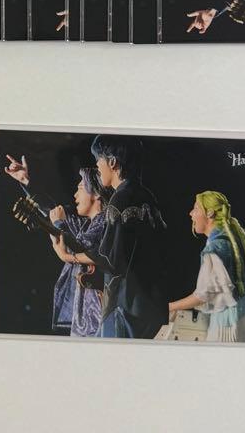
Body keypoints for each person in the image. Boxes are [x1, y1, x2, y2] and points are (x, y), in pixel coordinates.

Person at [3, 155, 108, 337]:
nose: (75, 195)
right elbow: (52, 211)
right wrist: (26, 181)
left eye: (80, 188)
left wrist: (59, 226)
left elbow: (85, 248)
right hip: (85, 316)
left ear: (97, 193)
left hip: (99, 314)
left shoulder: (105, 222)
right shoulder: (85, 224)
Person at [88, 135, 168, 339]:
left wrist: (70, 254)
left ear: (112, 162)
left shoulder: (119, 199)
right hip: (152, 307)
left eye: (98, 159)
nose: (97, 165)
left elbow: (111, 261)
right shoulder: (148, 196)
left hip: (125, 308)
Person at [168, 191, 245, 343]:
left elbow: (202, 295)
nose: (191, 213)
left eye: (196, 208)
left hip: (229, 329)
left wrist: (170, 307)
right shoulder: (241, 244)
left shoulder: (215, 248)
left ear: (210, 213)